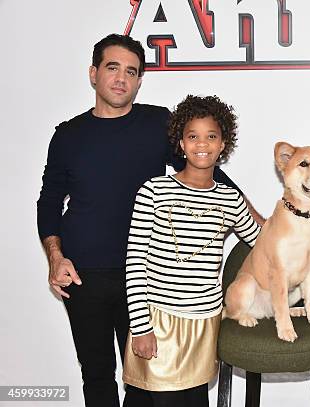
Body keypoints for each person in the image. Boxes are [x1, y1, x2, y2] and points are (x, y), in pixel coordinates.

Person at [36, 34, 262, 407]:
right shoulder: (68, 135)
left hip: (147, 281)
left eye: (132, 71)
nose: (122, 78)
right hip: (83, 273)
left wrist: (258, 219)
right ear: (94, 74)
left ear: (140, 80)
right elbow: (48, 203)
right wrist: (55, 258)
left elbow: (208, 173)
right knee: (96, 372)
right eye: (113, 68)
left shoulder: (159, 123)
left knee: (146, 386)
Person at [122, 95, 259, 406]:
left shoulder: (230, 199)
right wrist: (141, 327)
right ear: (180, 143)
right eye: (193, 136)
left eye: (212, 136)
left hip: (204, 321)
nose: (202, 144)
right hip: (158, 320)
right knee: (147, 399)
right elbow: (134, 264)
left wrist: (300, 214)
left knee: (195, 400)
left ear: (224, 144)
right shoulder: (154, 191)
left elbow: (262, 243)